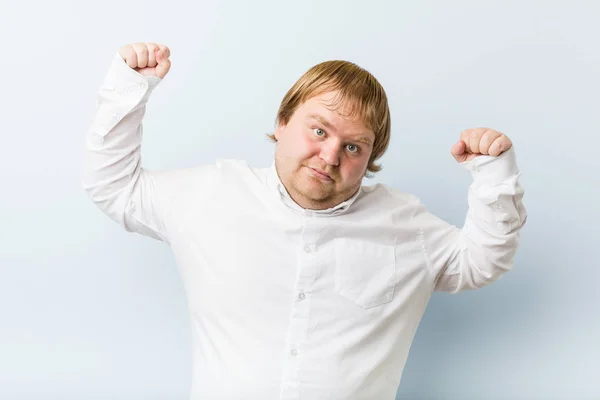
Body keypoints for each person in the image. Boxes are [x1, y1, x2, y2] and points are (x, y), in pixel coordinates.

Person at [83, 42, 527, 400]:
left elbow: (482, 261)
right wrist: (128, 91)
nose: (330, 156)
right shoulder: (209, 194)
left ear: (371, 157)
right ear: (282, 122)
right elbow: (115, 187)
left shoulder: (405, 224)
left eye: (354, 146)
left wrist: (494, 176)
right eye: (319, 131)